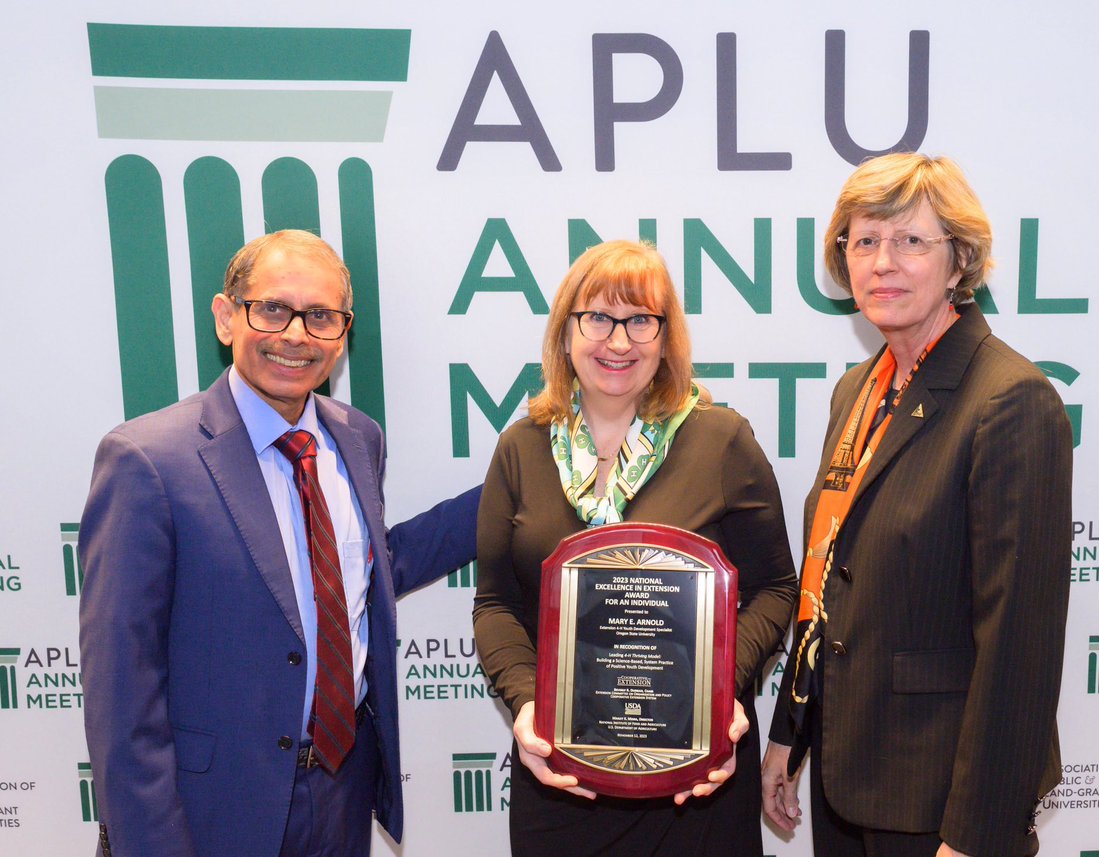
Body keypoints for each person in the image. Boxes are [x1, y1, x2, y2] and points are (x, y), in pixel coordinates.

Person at [78, 230, 480, 857]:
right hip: (211, 813)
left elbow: (357, 575)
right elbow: (121, 691)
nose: (296, 334)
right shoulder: (147, 460)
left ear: (342, 334)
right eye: (273, 308)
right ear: (225, 316)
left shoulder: (357, 437)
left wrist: (524, 483)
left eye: (320, 316)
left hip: (341, 795)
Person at [761, 153, 1072, 857]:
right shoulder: (859, 390)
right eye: (864, 241)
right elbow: (829, 582)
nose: (882, 262)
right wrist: (790, 731)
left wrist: (976, 834)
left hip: (942, 802)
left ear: (959, 260)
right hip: (848, 776)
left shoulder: (1010, 400)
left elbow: (1020, 647)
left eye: (911, 241)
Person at [473, 239, 796, 857]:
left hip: (698, 779)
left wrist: (720, 693)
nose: (618, 342)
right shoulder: (522, 448)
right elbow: (496, 605)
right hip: (561, 777)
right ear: (565, 331)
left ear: (665, 336)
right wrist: (526, 709)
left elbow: (775, 588)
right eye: (597, 317)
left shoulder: (721, 440)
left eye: (640, 320)